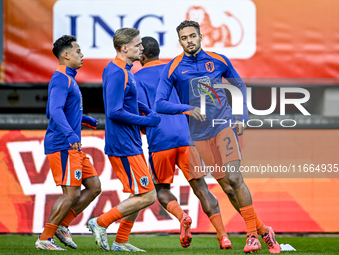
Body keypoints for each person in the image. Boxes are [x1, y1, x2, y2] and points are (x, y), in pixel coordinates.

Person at [155, 20, 281, 254]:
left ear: (201, 36)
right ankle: (265, 230)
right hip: (199, 136)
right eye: (184, 38)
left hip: (223, 126)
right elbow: (159, 103)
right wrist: (186, 109)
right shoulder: (173, 68)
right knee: (228, 188)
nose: (189, 41)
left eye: (193, 36)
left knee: (235, 178)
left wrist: (241, 116)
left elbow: (240, 86)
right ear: (179, 41)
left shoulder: (219, 60)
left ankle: (252, 235)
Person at [134, 36, 232, 249]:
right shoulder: (174, 69)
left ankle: (182, 217)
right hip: (185, 137)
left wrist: (142, 128)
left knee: (161, 188)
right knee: (202, 188)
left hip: (160, 139)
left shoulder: (136, 77)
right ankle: (223, 236)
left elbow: (139, 108)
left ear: (141, 55)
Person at [86, 28, 161, 252]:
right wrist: (146, 121)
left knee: (138, 193)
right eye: (138, 45)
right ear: (124, 48)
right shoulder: (117, 72)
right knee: (148, 195)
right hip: (123, 144)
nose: (142, 48)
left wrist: (148, 111)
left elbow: (130, 101)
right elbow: (114, 111)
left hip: (130, 141)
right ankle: (100, 222)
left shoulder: (125, 70)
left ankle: (121, 241)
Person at [35, 35, 102, 250]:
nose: (82, 55)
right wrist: (71, 134)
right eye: (78, 51)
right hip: (63, 144)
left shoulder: (68, 78)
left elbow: (53, 109)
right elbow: (53, 111)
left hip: (72, 145)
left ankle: (62, 225)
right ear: (66, 55)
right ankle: (45, 238)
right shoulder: (61, 77)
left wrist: (83, 118)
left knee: (94, 187)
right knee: (71, 193)